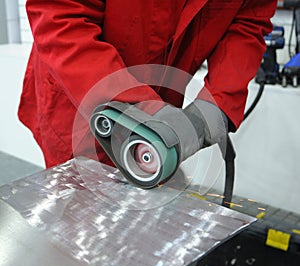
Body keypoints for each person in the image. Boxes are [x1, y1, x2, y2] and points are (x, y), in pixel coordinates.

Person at [18, 0, 277, 168]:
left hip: (161, 104)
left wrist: (215, 106)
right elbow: (62, 15)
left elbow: (248, 23)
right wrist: (137, 107)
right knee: (78, 219)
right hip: (78, 98)